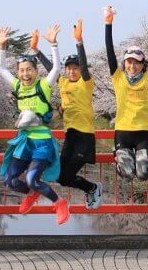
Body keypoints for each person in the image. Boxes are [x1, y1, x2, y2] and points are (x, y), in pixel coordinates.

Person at [0, 25, 71, 225]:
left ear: (36, 71)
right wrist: (2, 47)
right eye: (21, 70)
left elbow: (56, 69)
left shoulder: (43, 86)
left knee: (32, 178)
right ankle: (32, 193)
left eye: (29, 70)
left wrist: (53, 44)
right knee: (11, 181)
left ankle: (59, 202)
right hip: (24, 141)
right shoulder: (18, 86)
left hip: (42, 142)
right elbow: (1, 69)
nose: (25, 74)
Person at [34, 19, 105, 209]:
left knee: (65, 175)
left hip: (84, 135)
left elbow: (84, 63)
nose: (72, 71)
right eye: (69, 68)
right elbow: (51, 68)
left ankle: (92, 188)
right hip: (70, 135)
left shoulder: (86, 82)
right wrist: (37, 51)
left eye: (76, 68)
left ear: (81, 70)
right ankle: (91, 188)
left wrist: (79, 42)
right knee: (60, 177)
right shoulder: (64, 82)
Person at [104, 5, 148, 181]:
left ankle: (139, 163)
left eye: (136, 62)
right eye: (129, 62)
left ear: (143, 65)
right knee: (127, 175)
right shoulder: (118, 77)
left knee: (143, 174)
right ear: (124, 64)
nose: (132, 66)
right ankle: (120, 163)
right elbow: (109, 51)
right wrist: (108, 23)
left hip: (143, 132)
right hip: (122, 131)